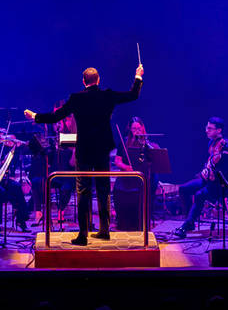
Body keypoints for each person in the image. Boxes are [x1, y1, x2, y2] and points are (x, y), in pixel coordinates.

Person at [25, 62, 144, 245]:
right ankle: (104, 230)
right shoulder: (107, 95)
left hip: (85, 149)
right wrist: (138, 76)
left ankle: (83, 234)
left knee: (83, 191)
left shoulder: (77, 98)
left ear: (83, 81)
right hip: (102, 148)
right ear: (98, 80)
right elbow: (133, 95)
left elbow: (55, 116)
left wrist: (35, 116)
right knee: (103, 189)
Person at [171, 116, 228, 239]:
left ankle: (187, 225)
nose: (206, 130)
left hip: (220, 183)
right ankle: (190, 221)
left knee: (199, 195)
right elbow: (210, 161)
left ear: (219, 130)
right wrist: (205, 169)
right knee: (183, 189)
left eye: (210, 128)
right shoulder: (212, 142)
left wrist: (212, 174)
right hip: (208, 180)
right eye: (207, 127)